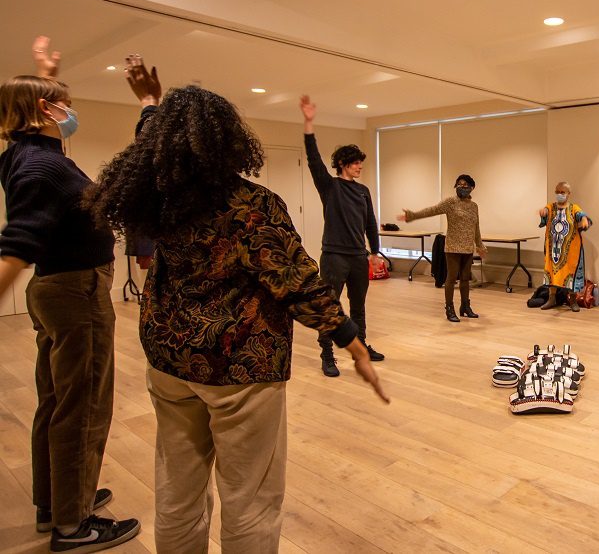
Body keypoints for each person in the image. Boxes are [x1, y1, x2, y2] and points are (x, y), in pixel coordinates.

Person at [84, 60, 389, 553]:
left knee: (178, 492)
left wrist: (149, 105)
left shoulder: (157, 197)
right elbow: (299, 285)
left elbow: (152, 147)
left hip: (169, 362)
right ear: (228, 141)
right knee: (250, 500)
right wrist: (352, 342)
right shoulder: (252, 205)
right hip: (242, 368)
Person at [0, 38, 141, 552]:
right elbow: (17, 242)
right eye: (62, 102)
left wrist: (45, 73)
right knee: (82, 407)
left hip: (56, 288)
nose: (70, 109)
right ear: (44, 110)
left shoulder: (25, 153)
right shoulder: (43, 167)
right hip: (75, 290)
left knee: (56, 399)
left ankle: (55, 502)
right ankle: (74, 525)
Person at [300, 95, 384, 378]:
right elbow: (313, 160)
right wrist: (308, 124)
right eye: (356, 163)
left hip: (359, 257)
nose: (360, 167)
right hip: (335, 257)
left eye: (361, 162)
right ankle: (327, 355)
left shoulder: (363, 191)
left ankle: (360, 348)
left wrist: (375, 251)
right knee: (330, 308)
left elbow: (370, 222)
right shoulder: (330, 186)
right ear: (343, 164)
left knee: (358, 307)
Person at [398, 175, 487, 322]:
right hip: (452, 247)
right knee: (451, 279)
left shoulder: (474, 206)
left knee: (465, 278)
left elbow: (476, 227)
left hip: (467, 248)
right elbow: (431, 210)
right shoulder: (450, 202)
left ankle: (465, 306)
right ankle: (449, 308)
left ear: (472, 188)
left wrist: (479, 245)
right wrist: (412, 215)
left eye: (465, 185)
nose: (461, 187)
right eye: (459, 184)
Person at [537, 181, 592, 312]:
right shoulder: (551, 207)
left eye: (562, 192)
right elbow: (545, 212)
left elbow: (581, 215)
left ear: (568, 194)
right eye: (557, 192)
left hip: (571, 251)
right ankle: (551, 299)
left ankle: (572, 300)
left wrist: (584, 219)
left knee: (571, 274)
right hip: (553, 251)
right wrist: (543, 212)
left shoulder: (574, 208)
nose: (559, 194)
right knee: (551, 273)